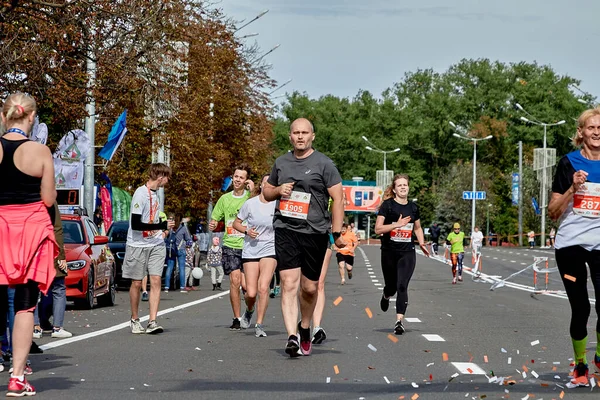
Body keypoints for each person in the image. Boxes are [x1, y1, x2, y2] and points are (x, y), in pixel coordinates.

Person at [263, 117, 345, 357]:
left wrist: (337, 233)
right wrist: (278, 190)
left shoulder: (324, 164)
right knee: (288, 283)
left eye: (304, 133)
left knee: (309, 288)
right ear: (290, 136)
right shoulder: (281, 162)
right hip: (286, 228)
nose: (300, 136)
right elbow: (267, 192)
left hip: (315, 231)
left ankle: (305, 326)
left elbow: (338, 199)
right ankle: (291, 336)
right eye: (296, 133)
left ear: (312, 136)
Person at [0, 92, 58, 396]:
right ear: (31, 117)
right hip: (30, 233)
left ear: (4, 115)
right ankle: (17, 377)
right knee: (24, 305)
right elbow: (48, 199)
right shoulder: (40, 151)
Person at [547, 107, 600, 387]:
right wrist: (572, 188)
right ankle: (580, 365)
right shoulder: (568, 163)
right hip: (571, 246)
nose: (597, 132)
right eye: (592, 128)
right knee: (581, 309)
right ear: (581, 133)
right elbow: (553, 212)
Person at [123, 163, 174, 335]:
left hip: (156, 244)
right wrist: (161, 225)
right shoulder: (140, 194)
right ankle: (135, 319)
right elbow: (136, 224)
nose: (167, 181)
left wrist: (163, 229)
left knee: (156, 279)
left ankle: (152, 321)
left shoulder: (156, 195)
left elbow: (153, 219)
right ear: (160, 177)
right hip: (137, 244)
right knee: (137, 282)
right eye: (167, 178)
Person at [375, 174, 429, 335]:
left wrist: (422, 243)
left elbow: (417, 228)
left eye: (405, 185)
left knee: (402, 285)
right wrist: (396, 224)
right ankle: (386, 295)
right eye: (400, 185)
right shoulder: (388, 206)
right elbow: (378, 229)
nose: (403, 187)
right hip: (389, 252)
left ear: (409, 187)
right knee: (391, 287)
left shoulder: (413, 208)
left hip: (407, 252)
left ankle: (399, 321)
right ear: (394, 189)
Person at [209, 164, 254, 330]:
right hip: (230, 245)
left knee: (248, 289)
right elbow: (214, 220)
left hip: (249, 246)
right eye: (236, 176)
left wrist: (254, 189)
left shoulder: (250, 198)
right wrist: (213, 224)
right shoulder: (224, 199)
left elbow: (261, 204)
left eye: (241, 177)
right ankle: (236, 318)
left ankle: (249, 310)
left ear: (246, 180)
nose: (237, 180)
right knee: (235, 281)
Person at [232, 175, 277, 337]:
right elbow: (236, 223)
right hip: (251, 250)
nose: (269, 186)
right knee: (251, 293)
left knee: (263, 288)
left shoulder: (277, 205)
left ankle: (259, 324)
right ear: (261, 185)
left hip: (270, 249)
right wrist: (247, 231)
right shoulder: (250, 204)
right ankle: (249, 310)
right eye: (267, 183)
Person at [33, 202, 71, 339]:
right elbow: (57, 229)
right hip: (50, 249)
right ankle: (57, 327)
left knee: (32, 289)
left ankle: (35, 327)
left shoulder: (26, 197)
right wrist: (61, 256)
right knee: (59, 287)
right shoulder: (49, 201)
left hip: (31, 250)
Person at [311, 231, 334, 345]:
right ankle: (302, 324)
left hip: (323, 236)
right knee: (304, 286)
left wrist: (337, 234)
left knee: (319, 284)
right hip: (298, 236)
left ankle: (316, 327)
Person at [164, 214, 192, 293]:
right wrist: (187, 245)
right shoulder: (183, 228)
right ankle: (182, 287)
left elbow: (165, 238)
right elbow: (188, 239)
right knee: (181, 268)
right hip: (181, 249)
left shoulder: (170, 228)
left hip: (171, 250)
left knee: (169, 268)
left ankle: (166, 287)